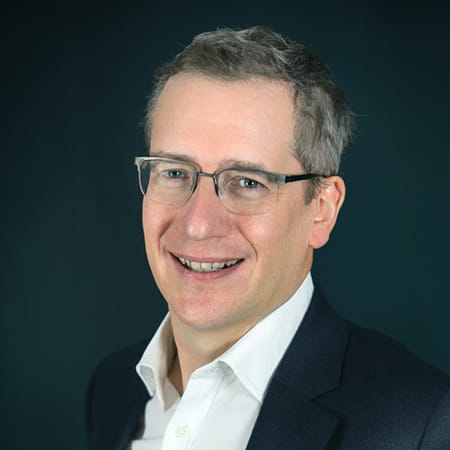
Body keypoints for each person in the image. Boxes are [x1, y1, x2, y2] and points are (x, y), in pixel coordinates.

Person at [86, 26, 450, 449]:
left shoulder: (421, 424)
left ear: (321, 209)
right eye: (174, 172)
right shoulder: (114, 387)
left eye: (248, 182)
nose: (197, 224)